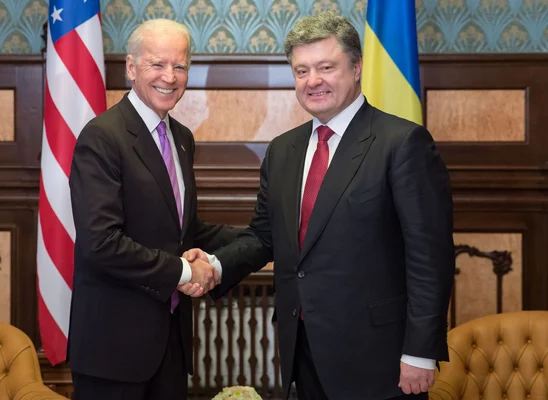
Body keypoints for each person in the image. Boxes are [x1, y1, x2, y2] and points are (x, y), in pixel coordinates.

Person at [187, 11, 455, 400]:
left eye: (326, 67)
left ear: (357, 66)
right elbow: (264, 237)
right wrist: (213, 266)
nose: (313, 81)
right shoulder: (283, 150)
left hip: (381, 358)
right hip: (303, 350)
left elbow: (430, 258)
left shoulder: (402, 143)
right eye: (301, 71)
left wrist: (420, 352)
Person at [67, 19, 241, 400]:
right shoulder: (102, 137)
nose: (170, 76)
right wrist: (184, 270)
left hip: (170, 346)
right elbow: (101, 242)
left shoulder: (181, 138)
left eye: (180, 66)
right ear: (131, 68)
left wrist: (265, 234)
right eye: (157, 64)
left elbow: (183, 230)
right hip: (113, 354)